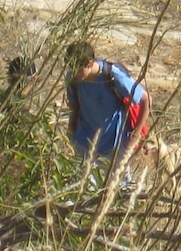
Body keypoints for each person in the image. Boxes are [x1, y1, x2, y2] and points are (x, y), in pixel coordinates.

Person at [64, 41, 150, 169]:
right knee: (82, 184)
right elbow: (74, 105)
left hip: (114, 145)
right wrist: (71, 129)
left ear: (89, 63)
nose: (74, 72)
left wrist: (135, 135)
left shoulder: (113, 76)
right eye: (71, 67)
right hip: (84, 140)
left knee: (118, 186)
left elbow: (145, 99)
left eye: (77, 68)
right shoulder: (72, 79)